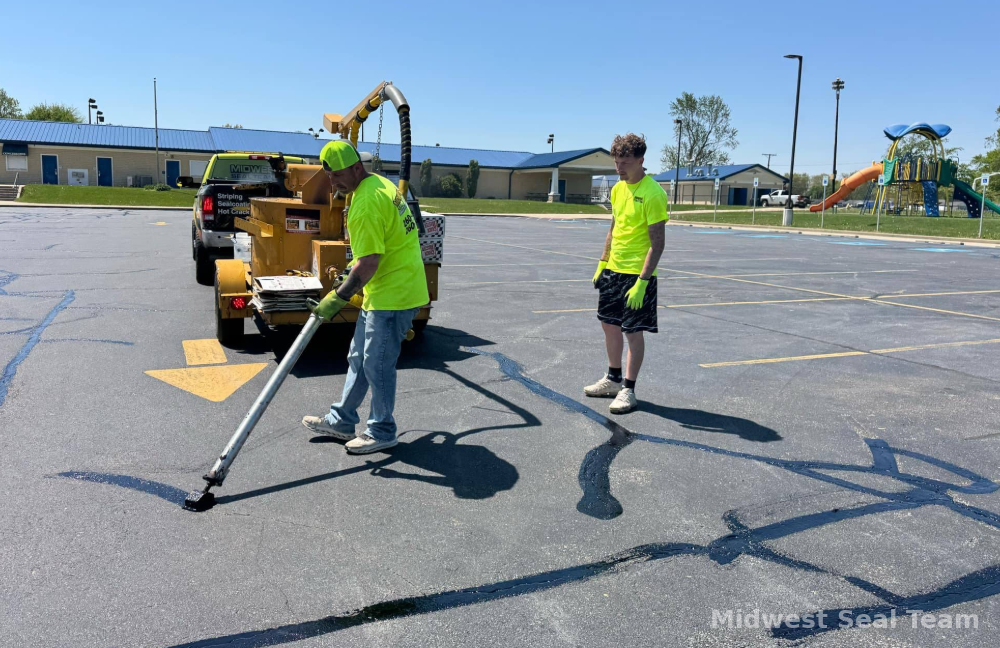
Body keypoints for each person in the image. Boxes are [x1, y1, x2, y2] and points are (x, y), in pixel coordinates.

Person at [301, 140, 429, 453]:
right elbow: (375, 250)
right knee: (359, 357)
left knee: (378, 364)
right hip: (386, 288)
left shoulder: (365, 204)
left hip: (394, 294)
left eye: (340, 174)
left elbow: (370, 261)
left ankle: (382, 430)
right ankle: (341, 420)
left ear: (358, 167)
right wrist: (350, 273)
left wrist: (338, 298)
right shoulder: (379, 185)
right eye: (330, 176)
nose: (334, 182)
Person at [585, 133, 667, 414]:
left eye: (626, 163)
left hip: (637, 276)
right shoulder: (618, 189)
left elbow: (658, 243)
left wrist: (643, 282)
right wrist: (602, 262)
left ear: (641, 160)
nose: (620, 168)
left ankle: (628, 390)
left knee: (633, 331)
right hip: (613, 270)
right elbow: (613, 227)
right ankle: (612, 378)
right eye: (617, 162)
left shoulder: (654, 193)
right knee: (609, 325)